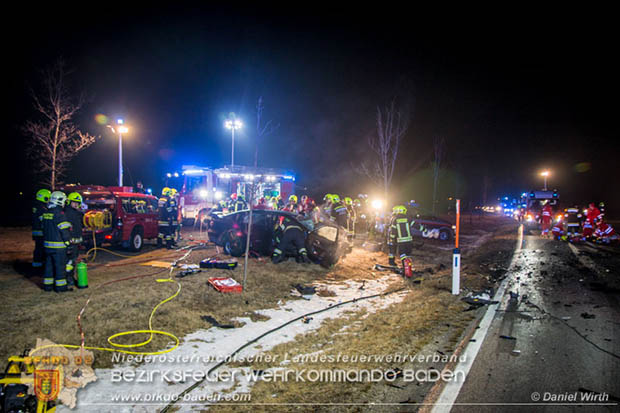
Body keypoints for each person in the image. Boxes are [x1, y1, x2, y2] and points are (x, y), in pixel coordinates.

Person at [42, 191, 72, 292]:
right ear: (59, 201)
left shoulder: (46, 214)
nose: (64, 203)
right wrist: (68, 243)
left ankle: (47, 286)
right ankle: (61, 287)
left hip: (47, 246)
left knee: (48, 267)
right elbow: (64, 231)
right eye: (64, 201)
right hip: (59, 248)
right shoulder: (60, 214)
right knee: (60, 267)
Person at [64, 192, 84, 286]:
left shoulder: (75, 213)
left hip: (75, 243)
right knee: (70, 262)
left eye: (77, 202)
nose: (76, 204)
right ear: (69, 202)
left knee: (72, 262)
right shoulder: (68, 214)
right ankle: (69, 279)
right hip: (70, 243)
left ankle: (69, 278)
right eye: (74, 202)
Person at [32, 189, 51, 272]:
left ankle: (37, 263)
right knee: (41, 248)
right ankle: (39, 265)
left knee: (38, 248)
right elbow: (44, 221)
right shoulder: (42, 209)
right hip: (41, 232)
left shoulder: (36, 206)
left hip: (36, 231)